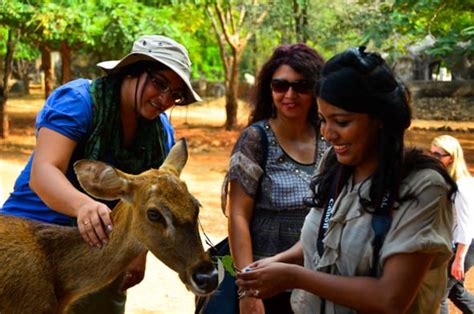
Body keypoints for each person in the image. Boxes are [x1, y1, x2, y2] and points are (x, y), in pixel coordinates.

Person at [236, 46, 457, 313]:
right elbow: (322, 240)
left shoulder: (423, 187)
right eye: (322, 120)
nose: (328, 134)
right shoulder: (334, 165)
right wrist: (278, 262)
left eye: (341, 122)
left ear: (379, 119)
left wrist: (294, 277)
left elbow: (390, 299)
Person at [1, 35, 201, 313]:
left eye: (176, 94)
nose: (165, 99)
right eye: (160, 83)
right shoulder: (80, 102)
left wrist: (137, 251)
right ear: (132, 70)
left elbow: (149, 204)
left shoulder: (160, 133)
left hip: (97, 250)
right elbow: (44, 171)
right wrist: (83, 205)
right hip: (30, 238)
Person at [225, 43, 327, 314]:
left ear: (316, 90)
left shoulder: (330, 140)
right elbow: (238, 216)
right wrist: (248, 289)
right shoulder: (256, 140)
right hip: (265, 283)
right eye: (280, 86)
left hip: (320, 282)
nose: (289, 94)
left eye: (301, 86)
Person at [431, 135, 474, 313]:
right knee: (456, 291)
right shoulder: (450, 181)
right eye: (431, 153)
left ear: (452, 158)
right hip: (457, 244)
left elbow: (466, 226)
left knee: (439, 293)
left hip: (465, 245)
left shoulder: (462, 186)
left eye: (438, 155)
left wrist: (459, 259)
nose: (433, 159)